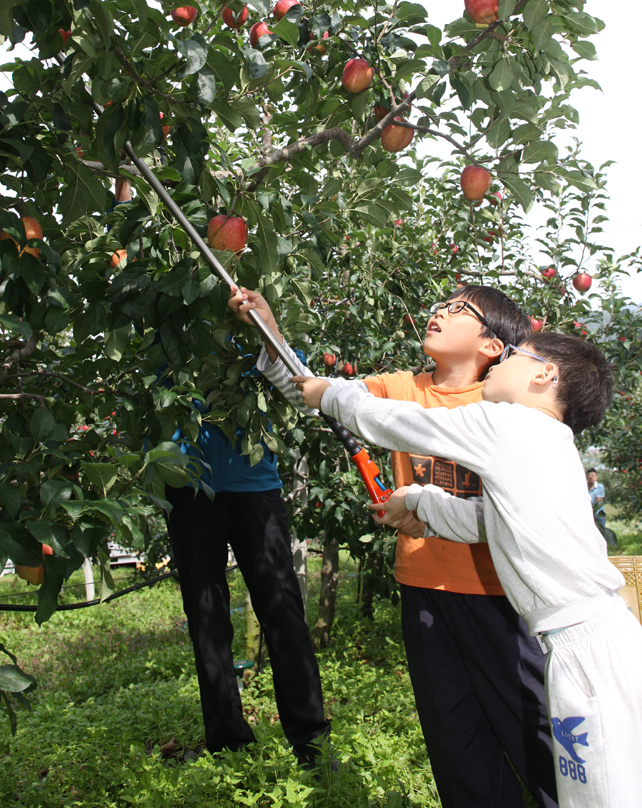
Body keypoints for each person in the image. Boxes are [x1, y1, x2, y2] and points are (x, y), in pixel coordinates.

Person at [292, 332, 642, 808]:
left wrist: (332, 395)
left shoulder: (513, 426)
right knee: (625, 788)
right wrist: (422, 502)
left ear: (544, 374)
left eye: (512, 356)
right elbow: (492, 522)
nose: (498, 363)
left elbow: (408, 423)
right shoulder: (548, 443)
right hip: (605, 641)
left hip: (584, 651)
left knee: (598, 797)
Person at [229, 283, 559, 808]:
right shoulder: (402, 386)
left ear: (492, 345)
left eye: (457, 310)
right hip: (425, 589)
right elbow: (316, 394)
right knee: (455, 737)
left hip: (501, 597)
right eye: (440, 304)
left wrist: (425, 508)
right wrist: (271, 334)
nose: (438, 312)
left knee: (530, 730)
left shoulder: (502, 401)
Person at [112, 181, 331, 768]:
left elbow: (296, 386)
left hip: (255, 483)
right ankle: (228, 738)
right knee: (205, 612)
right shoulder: (168, 322)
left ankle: (310, 738)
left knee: (281, 605)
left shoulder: (247, 314)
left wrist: (269, 324)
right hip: (191, 484)